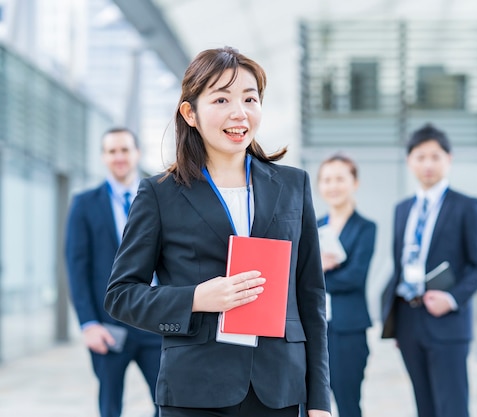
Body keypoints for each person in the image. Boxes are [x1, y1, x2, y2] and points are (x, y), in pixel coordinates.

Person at [103, 46, 332, 417]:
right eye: (221, 99)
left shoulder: (293, 186)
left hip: (280, 391)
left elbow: (310, 296)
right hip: (196, 390)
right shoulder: (160, 194)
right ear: (190, 113)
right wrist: (195, 298)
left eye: (249, 98)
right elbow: (121, 295)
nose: (239, 113)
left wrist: (319, 399)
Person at [380, 123, 477, 417]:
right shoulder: (402, 209)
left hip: (447, 322)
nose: (428, 164)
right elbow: (401, 263)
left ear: (448, 159)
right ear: (409, 161)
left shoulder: (468, 207)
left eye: (435, 156)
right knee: (424, 407)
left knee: (452, 408)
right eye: (420, 156)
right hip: (408, 319)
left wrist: (451, 298)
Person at [64, 127, 162, 417]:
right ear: (103, 157)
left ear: (137, 154)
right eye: (112, 151)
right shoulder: (84, 204)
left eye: (125, 150)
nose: (119, 157)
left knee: (168, 402)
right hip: (108, 326)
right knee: (110, 406)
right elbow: (76, 266)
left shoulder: (159, 198)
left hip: (154, 321)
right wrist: (88, 323)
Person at [316, 153, 376, 417]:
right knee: (314, 405)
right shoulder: (311, 226)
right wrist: (320, 267)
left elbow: (355, 277)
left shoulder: (365, 228)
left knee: (348, 404)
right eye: (327, 180)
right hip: (315, 329)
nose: (333, 186)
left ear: (355, 183)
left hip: (348, 330)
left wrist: (316, 272)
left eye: (340, 178)